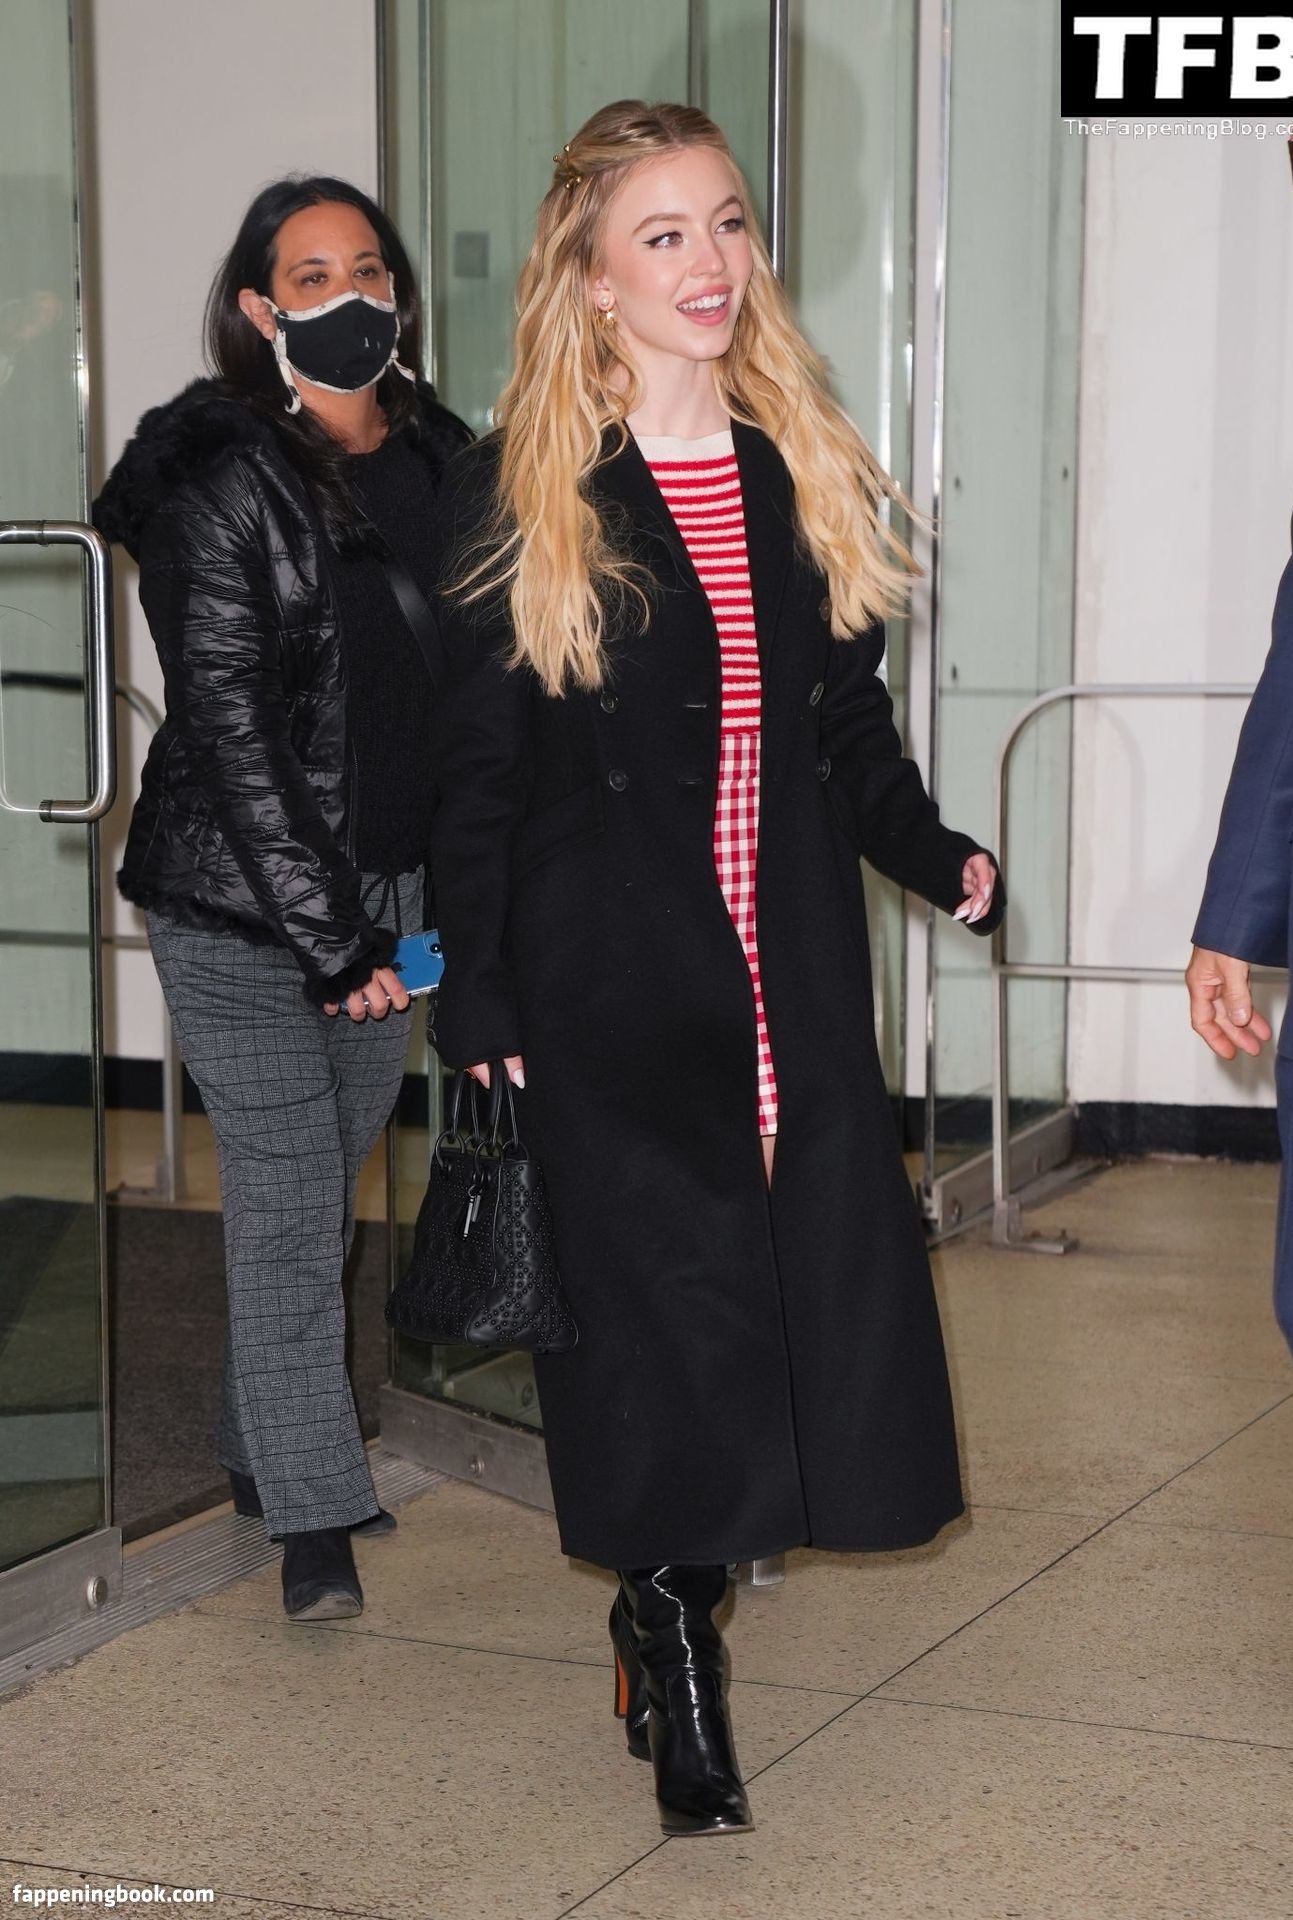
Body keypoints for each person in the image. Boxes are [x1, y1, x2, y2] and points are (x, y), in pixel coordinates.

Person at [428, 100, 1004, 1837]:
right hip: (609, 975)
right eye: (663, 233)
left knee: (776, 1297)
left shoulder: (786, 465)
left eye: (727, 223)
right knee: (660, 1318)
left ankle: (661, 1606)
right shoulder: (522, 488)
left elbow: (841, 729)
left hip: (784, 966)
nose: (709, 261)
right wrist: (478, 998)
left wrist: (935, 855)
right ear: (593, 278)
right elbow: (476, 778)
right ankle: (677, 1645)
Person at [92, 177, 470, 1622]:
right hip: (238, 907)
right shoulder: (218, 477)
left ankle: (259, 1445)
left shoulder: (442, 457)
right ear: (260, 308)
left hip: (395, 900)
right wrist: (330, 940)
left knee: (322, 1192)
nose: (347, 295)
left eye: (366, 267)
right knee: (293, 1192)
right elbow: (233, 733)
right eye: (311, 276)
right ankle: (315, 1515)